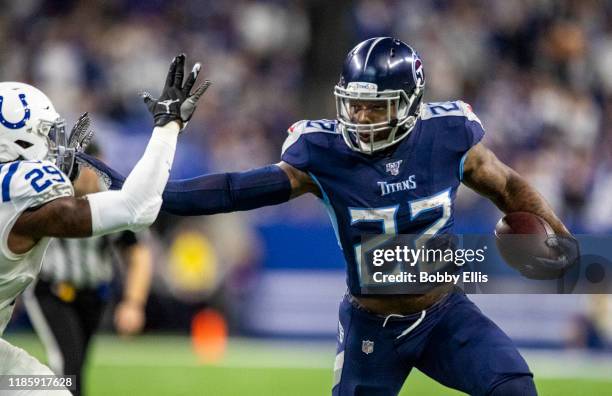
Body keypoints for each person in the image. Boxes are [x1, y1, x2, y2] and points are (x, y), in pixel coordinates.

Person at [80, 38, 579, 396]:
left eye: (373, 108)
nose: (359, 119)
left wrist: (550, 231)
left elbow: (508, 185)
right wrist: (133, 190)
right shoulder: (321, 153)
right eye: (354, 106)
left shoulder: (450, 137)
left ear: (408, 104)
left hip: (446, 315)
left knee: (515, 387)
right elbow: (232, 190)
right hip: (373, 328)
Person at [0, 54, 208, 395]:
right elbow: (137, 207)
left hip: (86, 296)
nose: (59, 149)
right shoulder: (25, 199)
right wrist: (168, 128)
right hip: (55, 291)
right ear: (18, 143)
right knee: (63, 377)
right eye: (44, 137)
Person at [24, 150, 153, 396]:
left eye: (99, 168)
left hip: (93, 296)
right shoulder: (51, 197)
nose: (93, 177)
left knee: (75, 368)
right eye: (87, 168)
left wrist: (133, 303)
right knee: (69, 368)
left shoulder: (112, 201)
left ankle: (13, 386)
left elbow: (138, 254)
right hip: (52, 291)